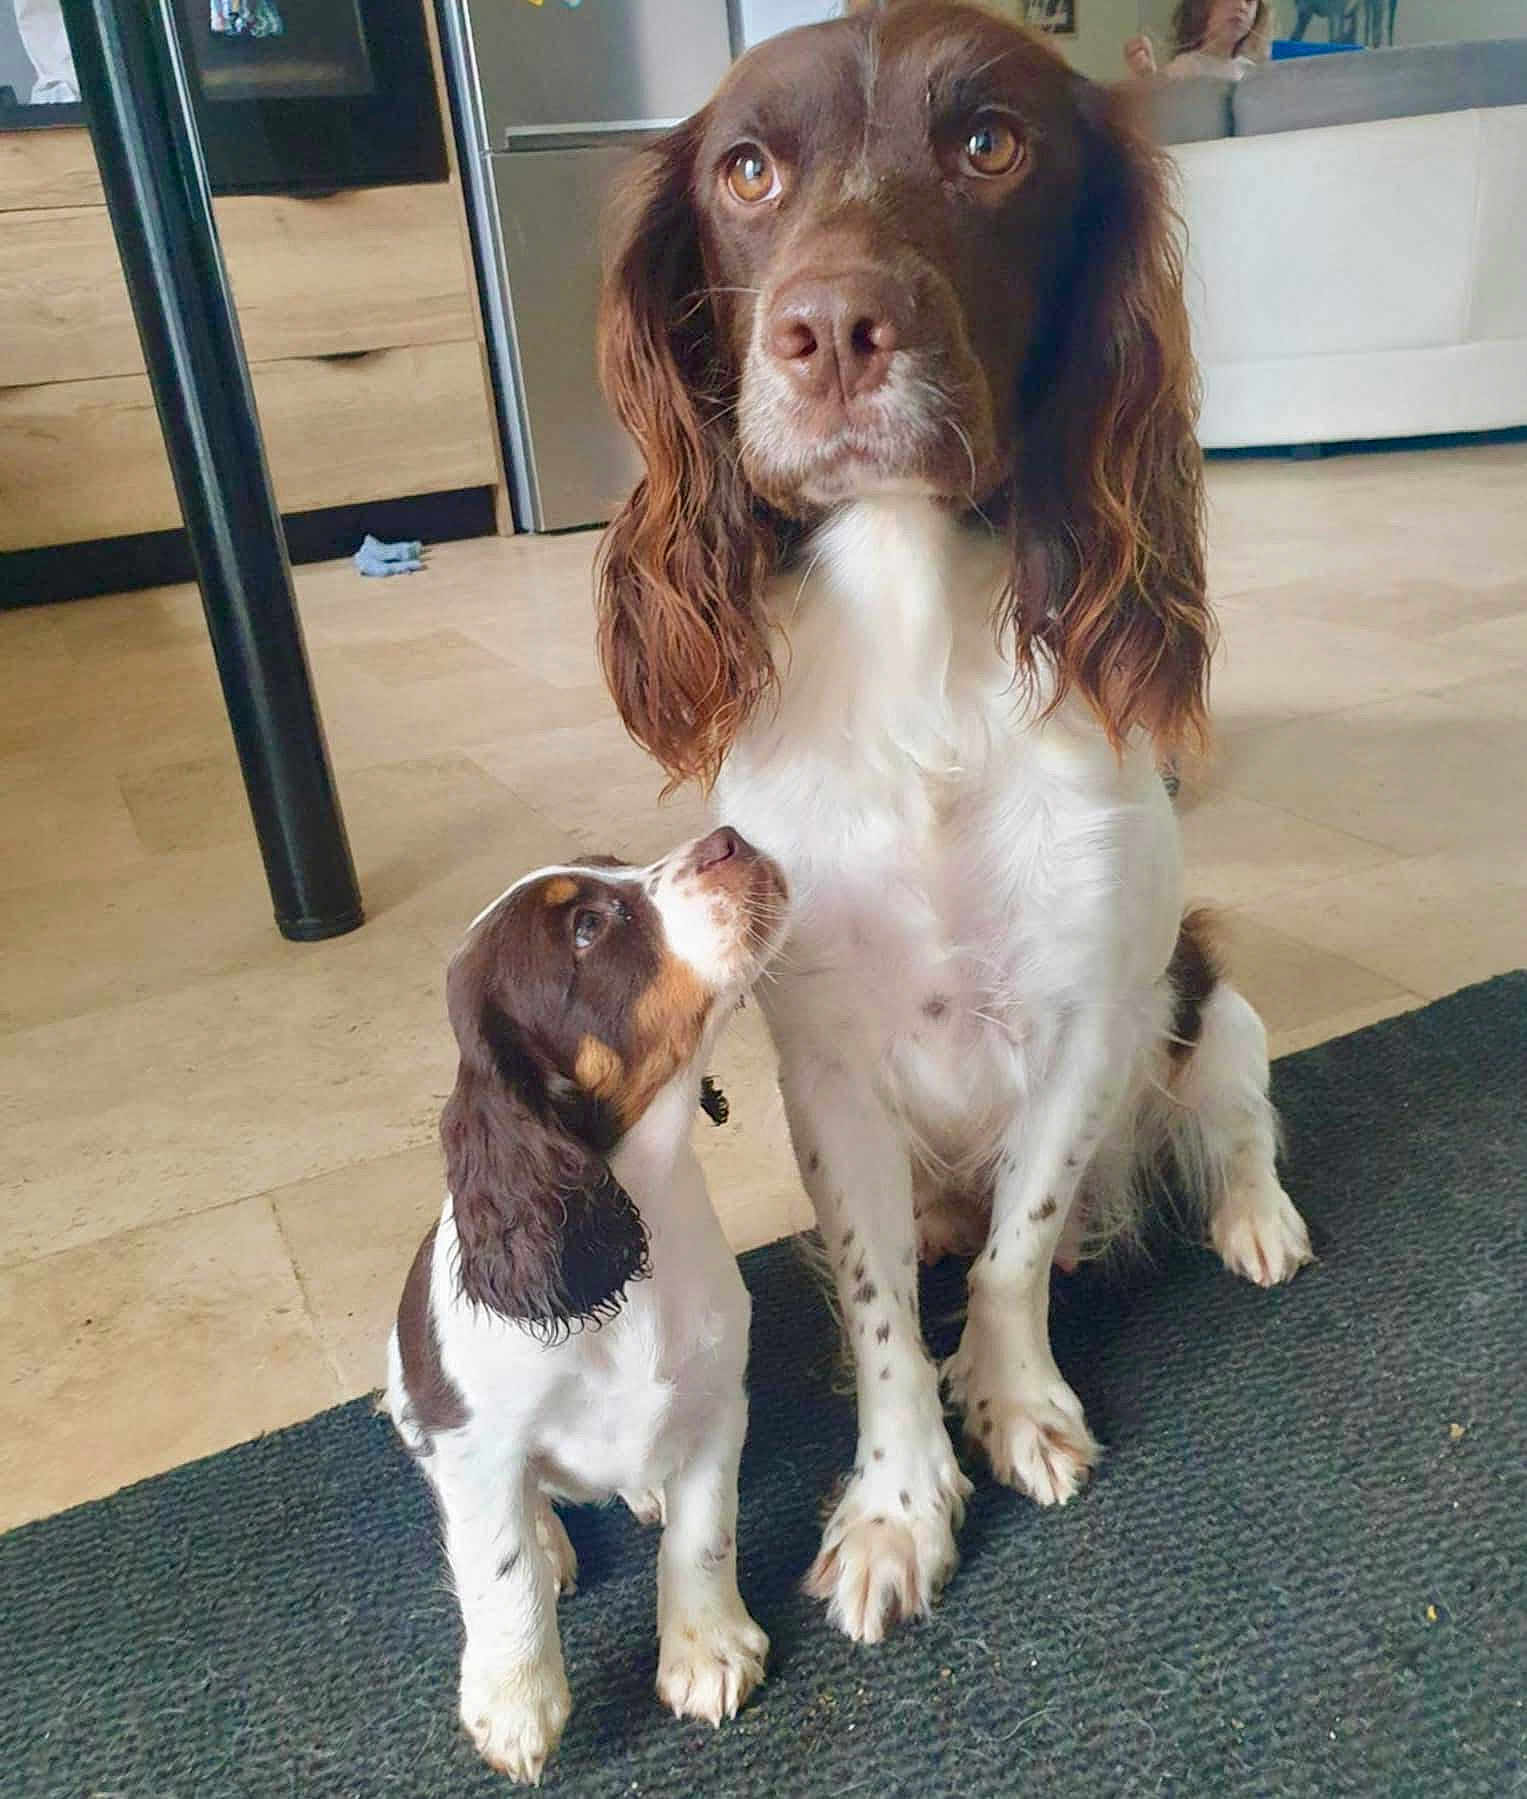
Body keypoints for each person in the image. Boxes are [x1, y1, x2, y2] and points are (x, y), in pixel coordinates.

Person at [1124, 0, 1272, 81]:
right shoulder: (1184, 69)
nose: (1240, 5)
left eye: (1249, 0)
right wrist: (1146, 78)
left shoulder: (1253, 73)